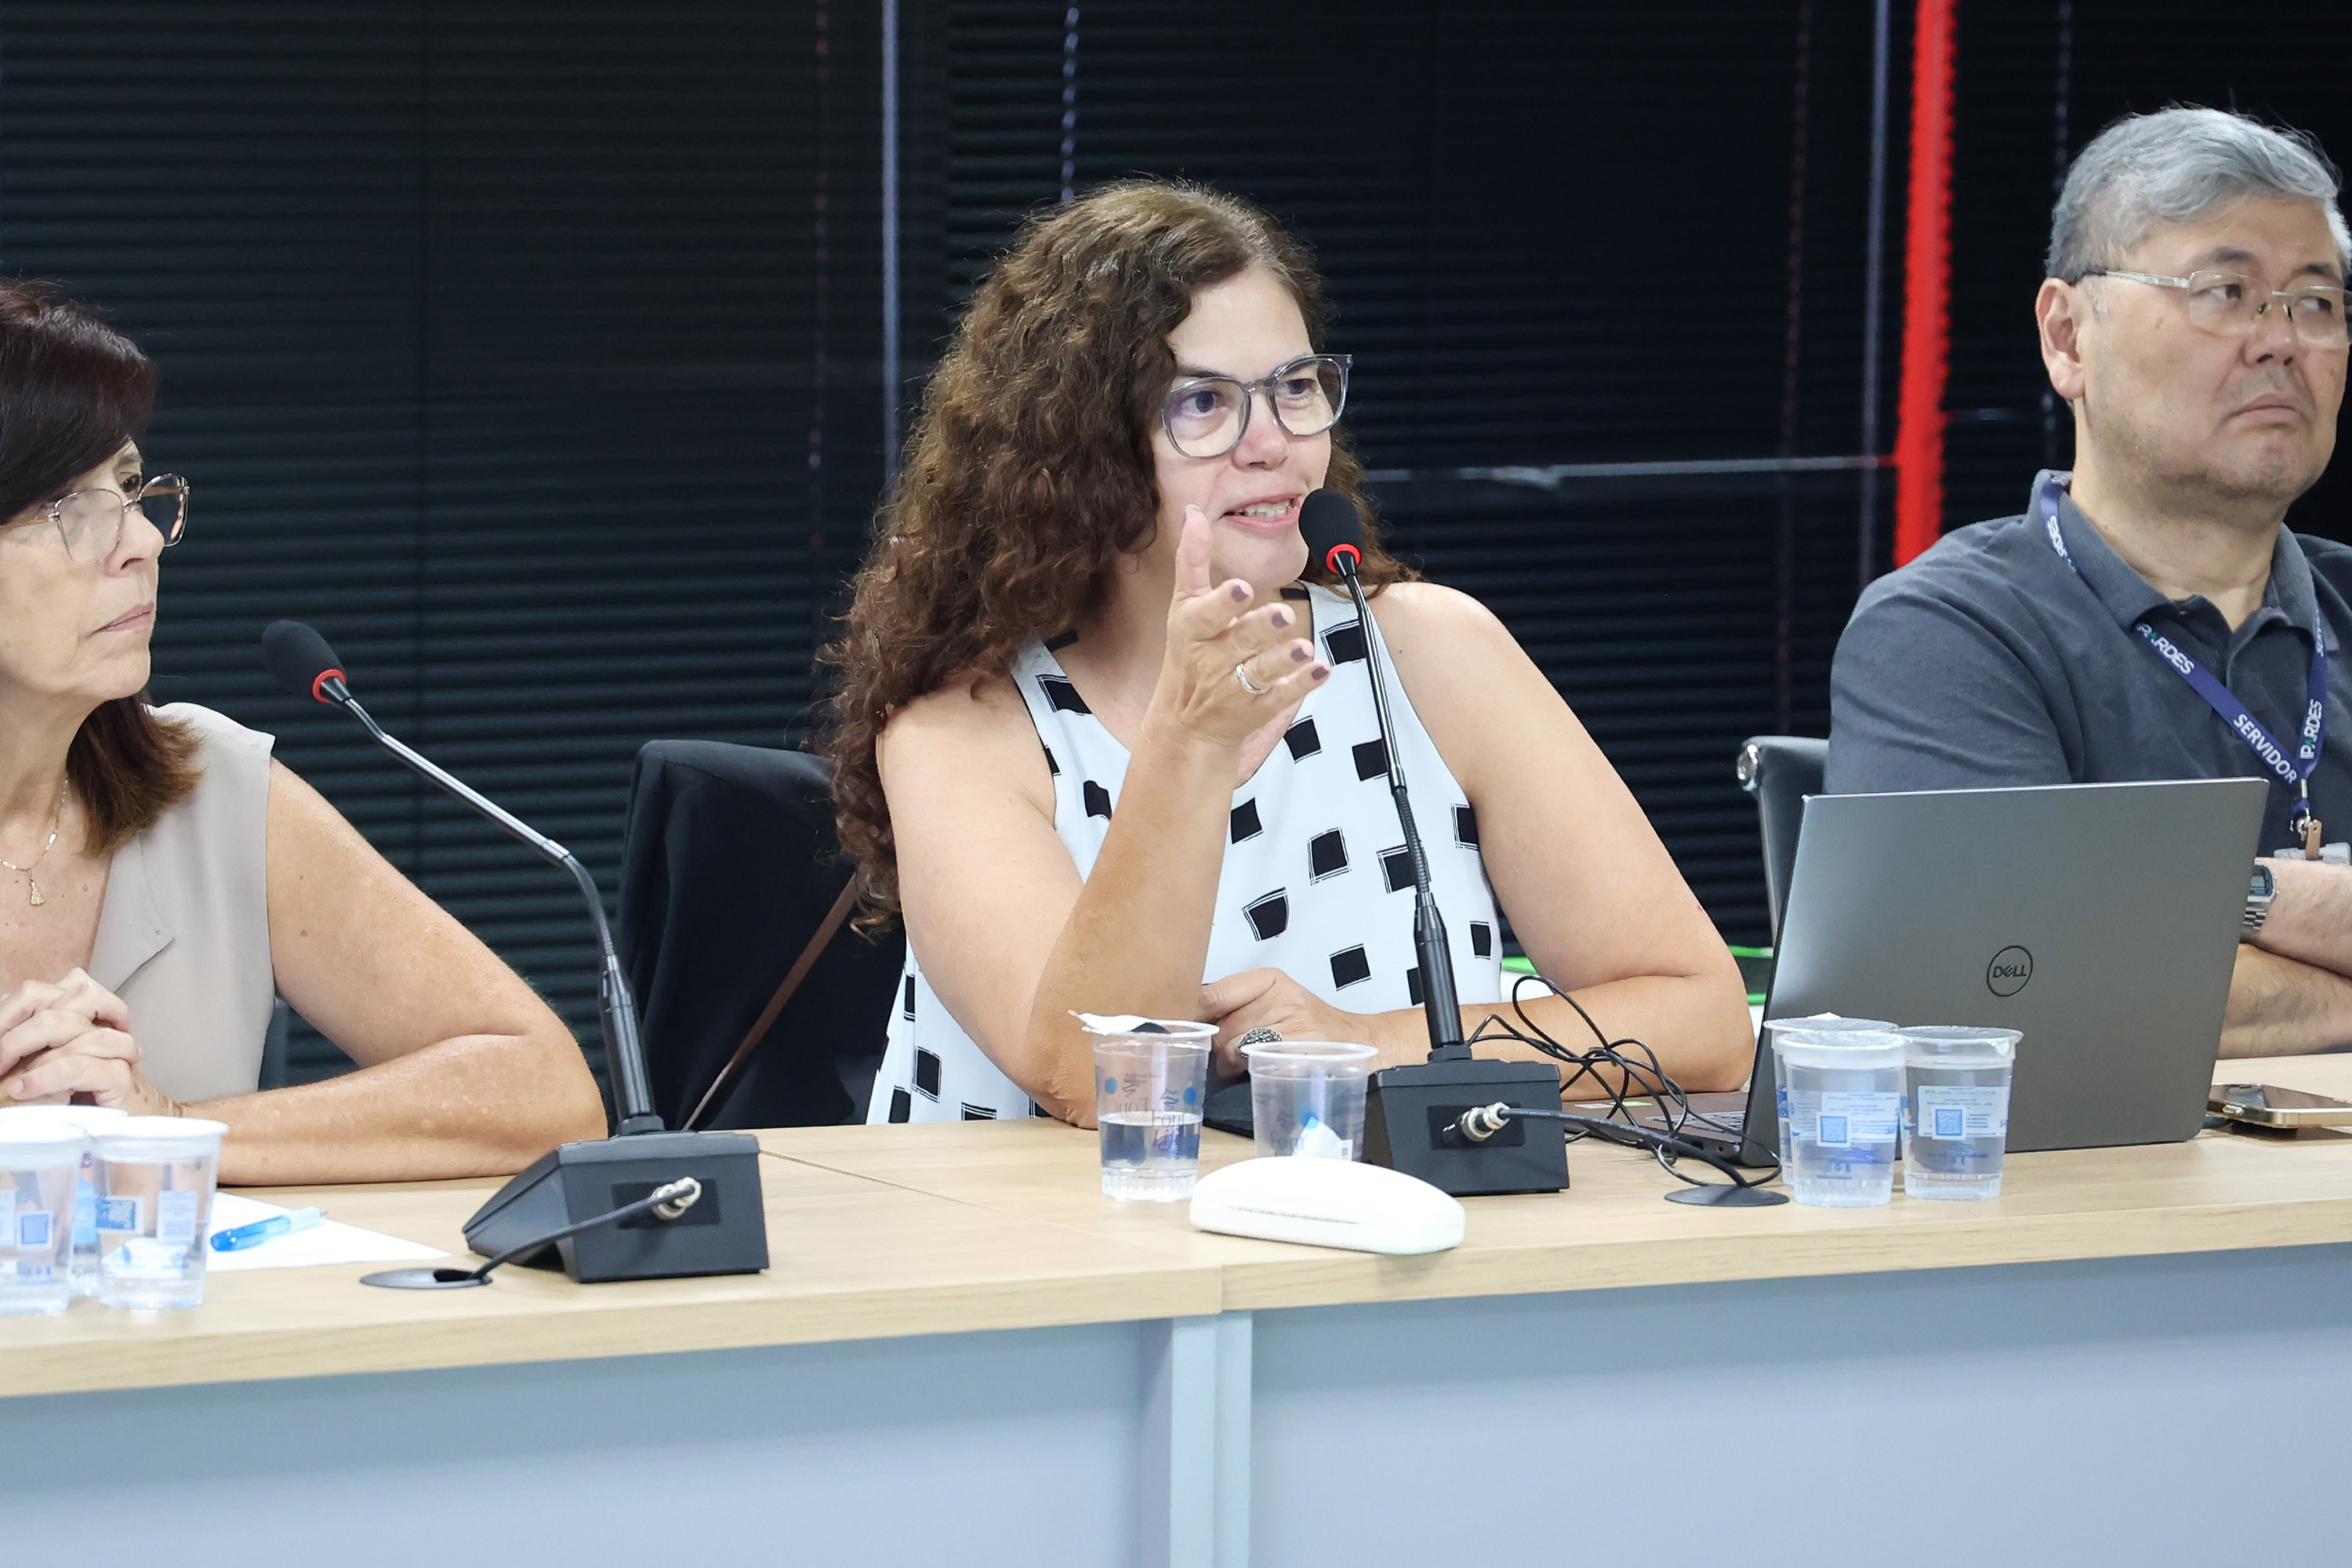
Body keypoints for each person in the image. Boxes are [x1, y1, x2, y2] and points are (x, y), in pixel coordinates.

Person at [826, 180, 1751, 1125]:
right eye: (1203, 401)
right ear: (1076, 452)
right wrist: (1191, 742)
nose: (1272, 442)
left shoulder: (1431, 652)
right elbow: (1096, 1081)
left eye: (1295, 387)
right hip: (1027, 1219)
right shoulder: (963, 722)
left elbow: (1704, 1018)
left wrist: (1364, 1044)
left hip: (1374, 1214)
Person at [0, 283, 606, 1181]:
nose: (142, 542)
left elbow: (547, 1091)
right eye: (67, 505)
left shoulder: (208, 787)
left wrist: (168, 1129)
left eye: (128, 488)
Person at [1828, 107, 2352, 1057]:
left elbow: (2110, 964)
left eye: (2315, 302)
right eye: (2226, 292)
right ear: (2068, 336)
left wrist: (2195, 919)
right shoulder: (1948, 630)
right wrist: (2294, 907)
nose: (2279, 339)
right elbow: (2007, 980)